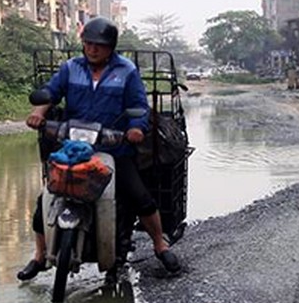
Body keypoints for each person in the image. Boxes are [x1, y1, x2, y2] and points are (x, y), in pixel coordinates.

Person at [17, 17, 180, 280]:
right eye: (88, 44)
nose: (92, 49)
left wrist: (136, 128)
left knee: (140, 196)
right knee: (44, 198)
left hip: (113, 149)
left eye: (99, 45)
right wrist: (37, 113)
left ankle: (160, 245)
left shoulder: (125, 71)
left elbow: (138, 105)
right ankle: (39, 256)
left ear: (111, 47)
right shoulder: (71, 68)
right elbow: (50, 92)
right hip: (72, 146)